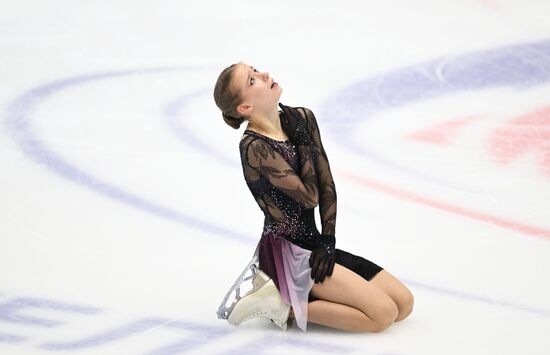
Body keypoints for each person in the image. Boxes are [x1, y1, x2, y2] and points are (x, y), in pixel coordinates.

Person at [213, 62, 414, 332]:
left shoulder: (301, 118)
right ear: (245, 108)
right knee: (383, 315)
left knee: (403, 304)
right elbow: (309, 197)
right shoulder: (255, 147)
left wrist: (328, 240)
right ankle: (281, 304)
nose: (263, 75)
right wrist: (304, 143)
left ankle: (303, 295)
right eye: (252, 80)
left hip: (314, 243)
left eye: (256, 70)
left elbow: (326, 183)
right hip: (287, 254)